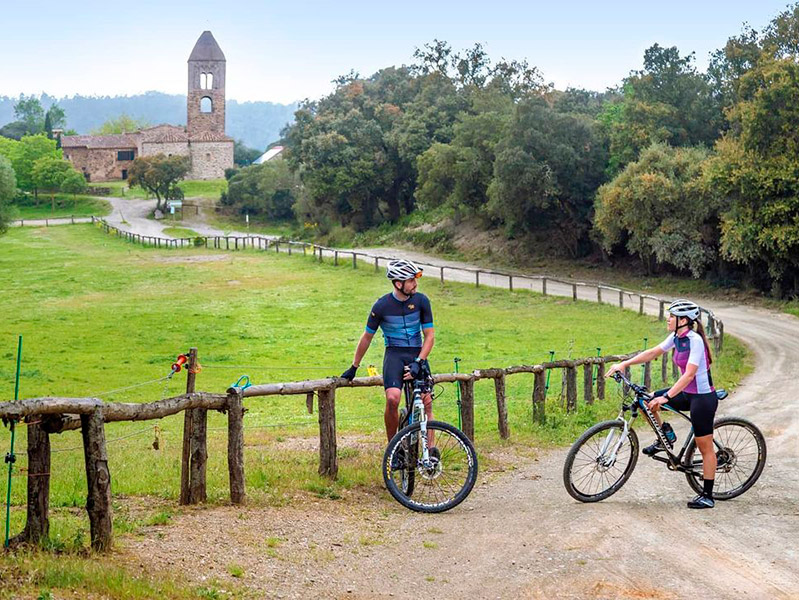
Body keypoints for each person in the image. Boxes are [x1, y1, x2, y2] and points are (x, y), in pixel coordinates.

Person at [606, 299, 718, 509]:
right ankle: (665, 435)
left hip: (702, 398)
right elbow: (653, 352)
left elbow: (690, 374)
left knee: (705, 447)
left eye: (672, 316)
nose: (668, 319)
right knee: (646, 401)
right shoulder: (677, 337)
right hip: (686, 393)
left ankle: (708, 495)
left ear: (683, 320)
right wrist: (625, 363)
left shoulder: (695, 341)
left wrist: (665, 397)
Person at [340, 259, 436, 450]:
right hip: (394, 355)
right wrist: (354, 366)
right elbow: (367, 337)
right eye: (411, 280)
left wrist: (419, 361)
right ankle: (394, 447)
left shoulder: (422, 301)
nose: (415, 284)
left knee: (426, 402)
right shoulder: (381, 306)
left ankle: (431, 450)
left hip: (418, 353)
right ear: (398, 283)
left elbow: (430, 336)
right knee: (392, 399)